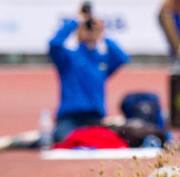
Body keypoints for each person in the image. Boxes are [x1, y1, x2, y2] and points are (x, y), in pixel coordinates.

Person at [48, 4, 129, 142]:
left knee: (109, 141)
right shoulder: (68, 58)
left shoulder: (101, 60)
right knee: (66, 140)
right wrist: (76, 22)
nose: (89, 31)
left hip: (95, 119)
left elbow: (122, 57)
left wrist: (102, 34)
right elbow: (55, 44)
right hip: (69, 119)